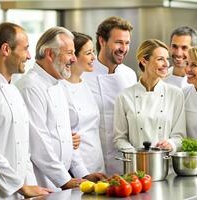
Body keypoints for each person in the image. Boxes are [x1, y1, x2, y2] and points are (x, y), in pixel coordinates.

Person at [15, 27, 105, 192]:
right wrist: (65, 180)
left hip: (58, 184)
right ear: (50, 54)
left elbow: (66, 140)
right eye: (70, 53)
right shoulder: (30, 87)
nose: (73, 59)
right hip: (40, 183)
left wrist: (83, 175)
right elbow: (39, 144)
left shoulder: (58, 84)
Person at [0, 22, 51, 199]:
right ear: (6, 49)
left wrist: (31, 189)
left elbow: (24, 150)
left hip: (18, 193)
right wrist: (21, 187)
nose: (29, 56)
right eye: (25, 49)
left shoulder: (14, 90)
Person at [82, 16, 137, 174]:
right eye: (119, 42)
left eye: (127, 43)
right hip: (91, 163)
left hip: (124, 162)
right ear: (102, 41)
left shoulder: (130, 75)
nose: (124, 48)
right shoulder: (83, 75)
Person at [114, 39, 186, 152]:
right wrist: (136, 154)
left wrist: (171, 144)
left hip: (166, 164)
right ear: (144, 61)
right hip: (136, 166)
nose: (166, 64)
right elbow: (119, 138)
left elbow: (180, 137)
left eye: (167, 59)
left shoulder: (175, 94)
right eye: (160, 59)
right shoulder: (125, 96)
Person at [62, 32, 106, 176]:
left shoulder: (85, 84)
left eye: (93, 51)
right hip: (74, 168)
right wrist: (83, 174)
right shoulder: (61, 88)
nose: (94, 57)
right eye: (88, 53)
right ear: (74, 56)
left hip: (96, 162)